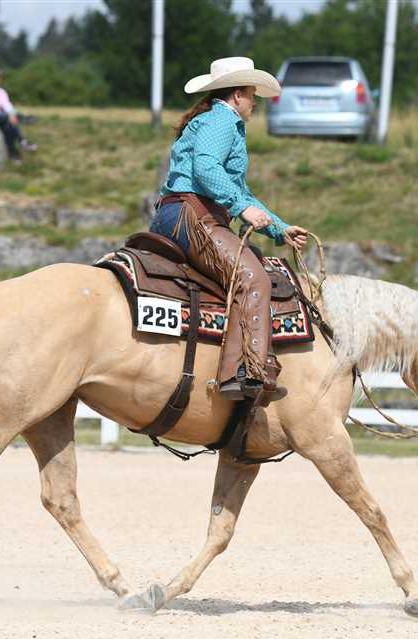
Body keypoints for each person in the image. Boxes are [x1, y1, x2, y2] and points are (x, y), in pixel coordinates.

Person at [149, 57, 310, 402]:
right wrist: (240, 208)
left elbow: (241, 192)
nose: (255, 103)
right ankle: (244, 373)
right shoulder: (223, 119)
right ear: (238, 95)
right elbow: (207, 167)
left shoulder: (213, 119)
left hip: (177, 213)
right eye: (252, 95)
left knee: (249, 268)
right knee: (253, 279)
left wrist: (279, 229)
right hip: (194, 216)